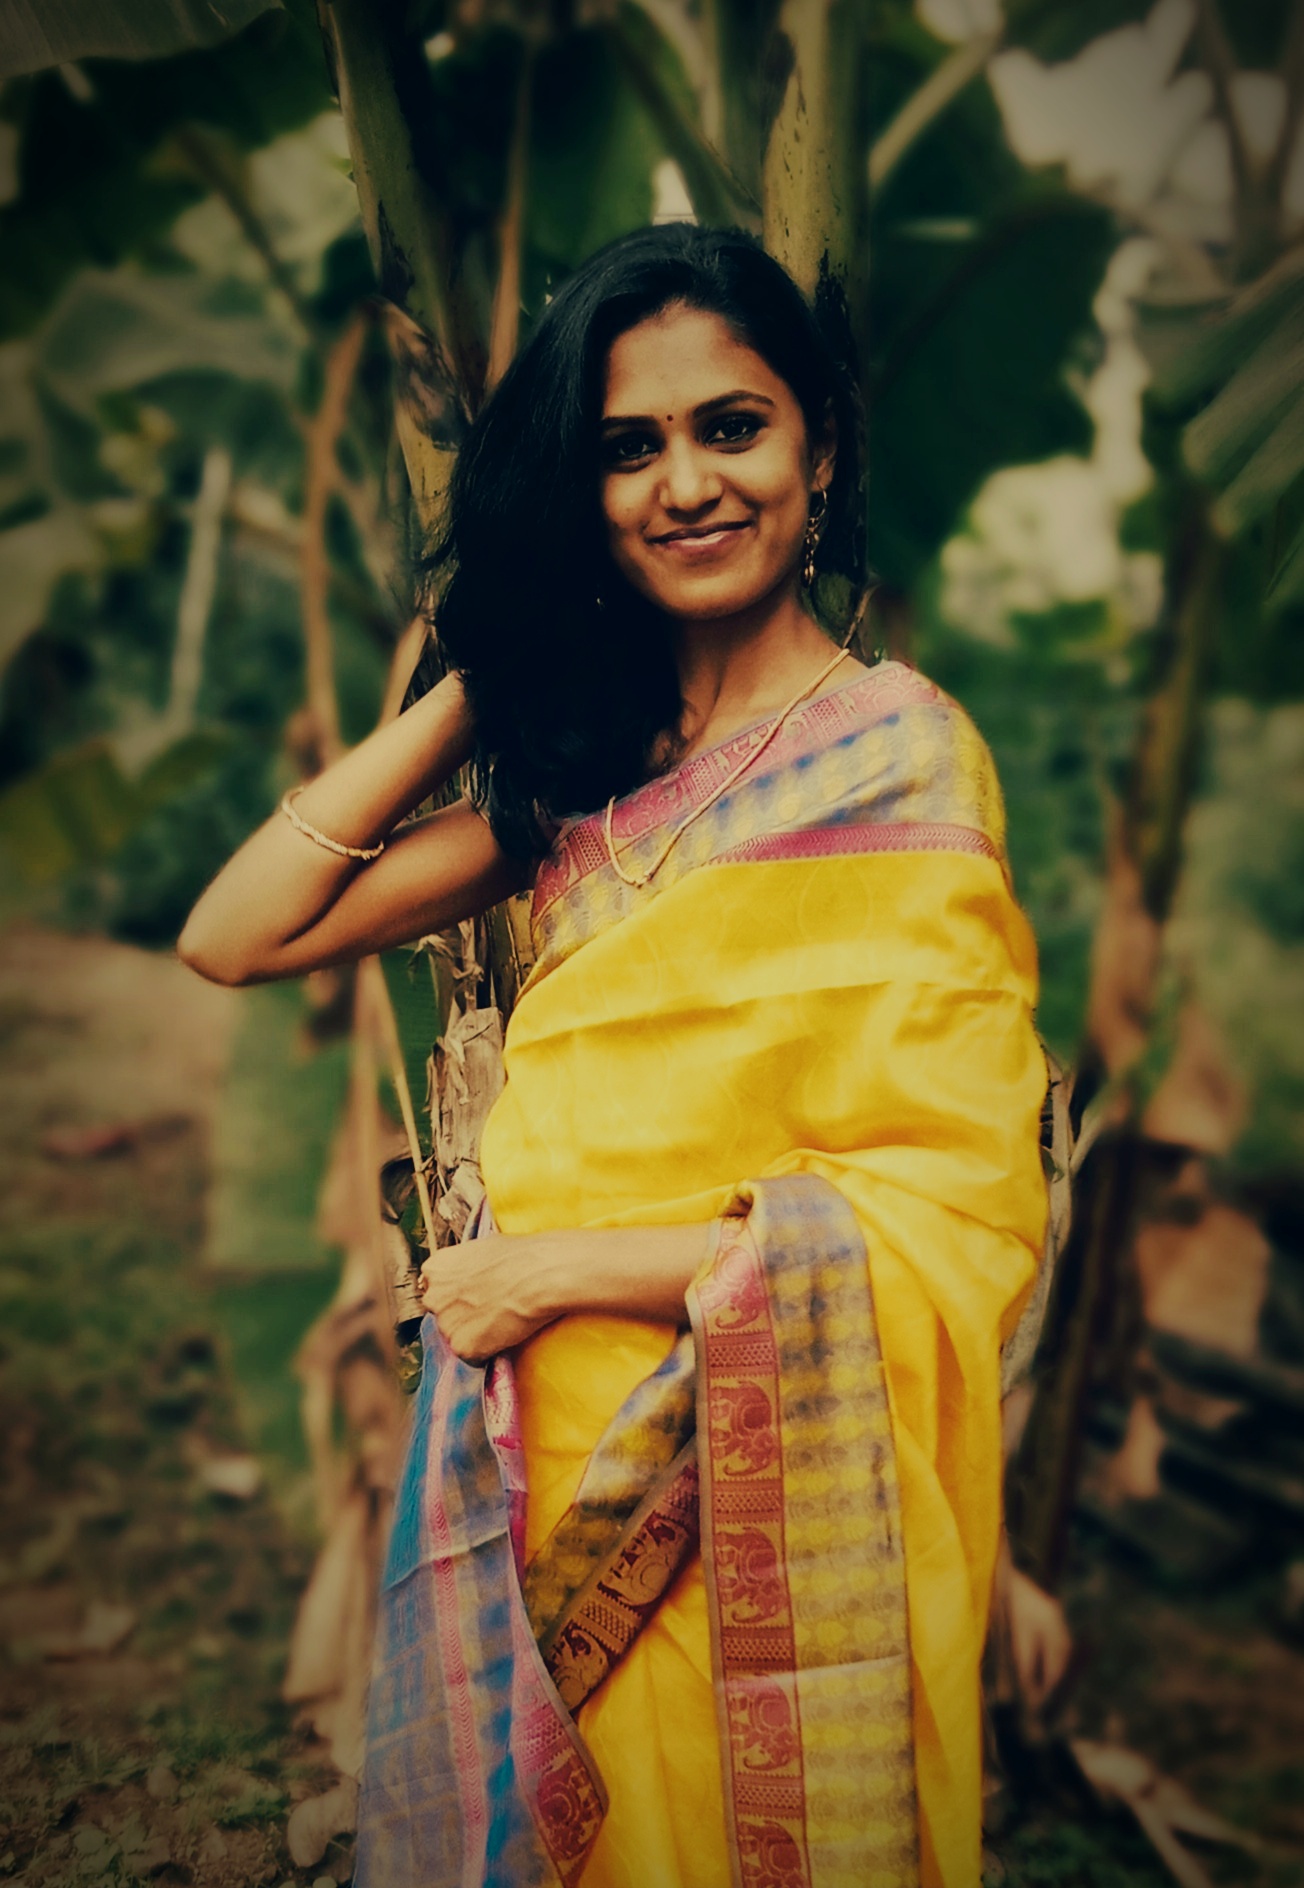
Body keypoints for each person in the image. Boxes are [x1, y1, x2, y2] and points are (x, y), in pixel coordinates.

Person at [179, 224, 1047, 1888]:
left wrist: (554, 1268)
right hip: (549, 1452)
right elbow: (237, 934)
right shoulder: (585, 789)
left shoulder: (902, 761)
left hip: (763, 1466)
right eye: (626, 449)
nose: (685, 484)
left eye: (733, 427)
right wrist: (483, 678)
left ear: (820, 450)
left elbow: (951, 1209)